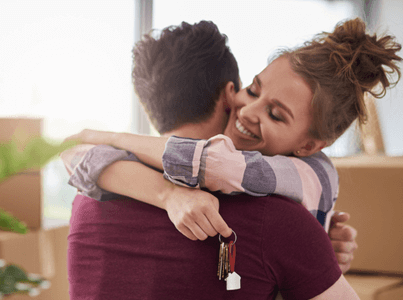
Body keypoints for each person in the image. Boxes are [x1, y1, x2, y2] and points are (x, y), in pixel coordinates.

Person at [65, 18, 399, 299]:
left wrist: (317, 257)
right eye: (252, 90)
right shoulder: (280, 220)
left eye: (276, 114)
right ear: (230, 93)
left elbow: (213, 164)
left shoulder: (86, 199)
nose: (250, 110)